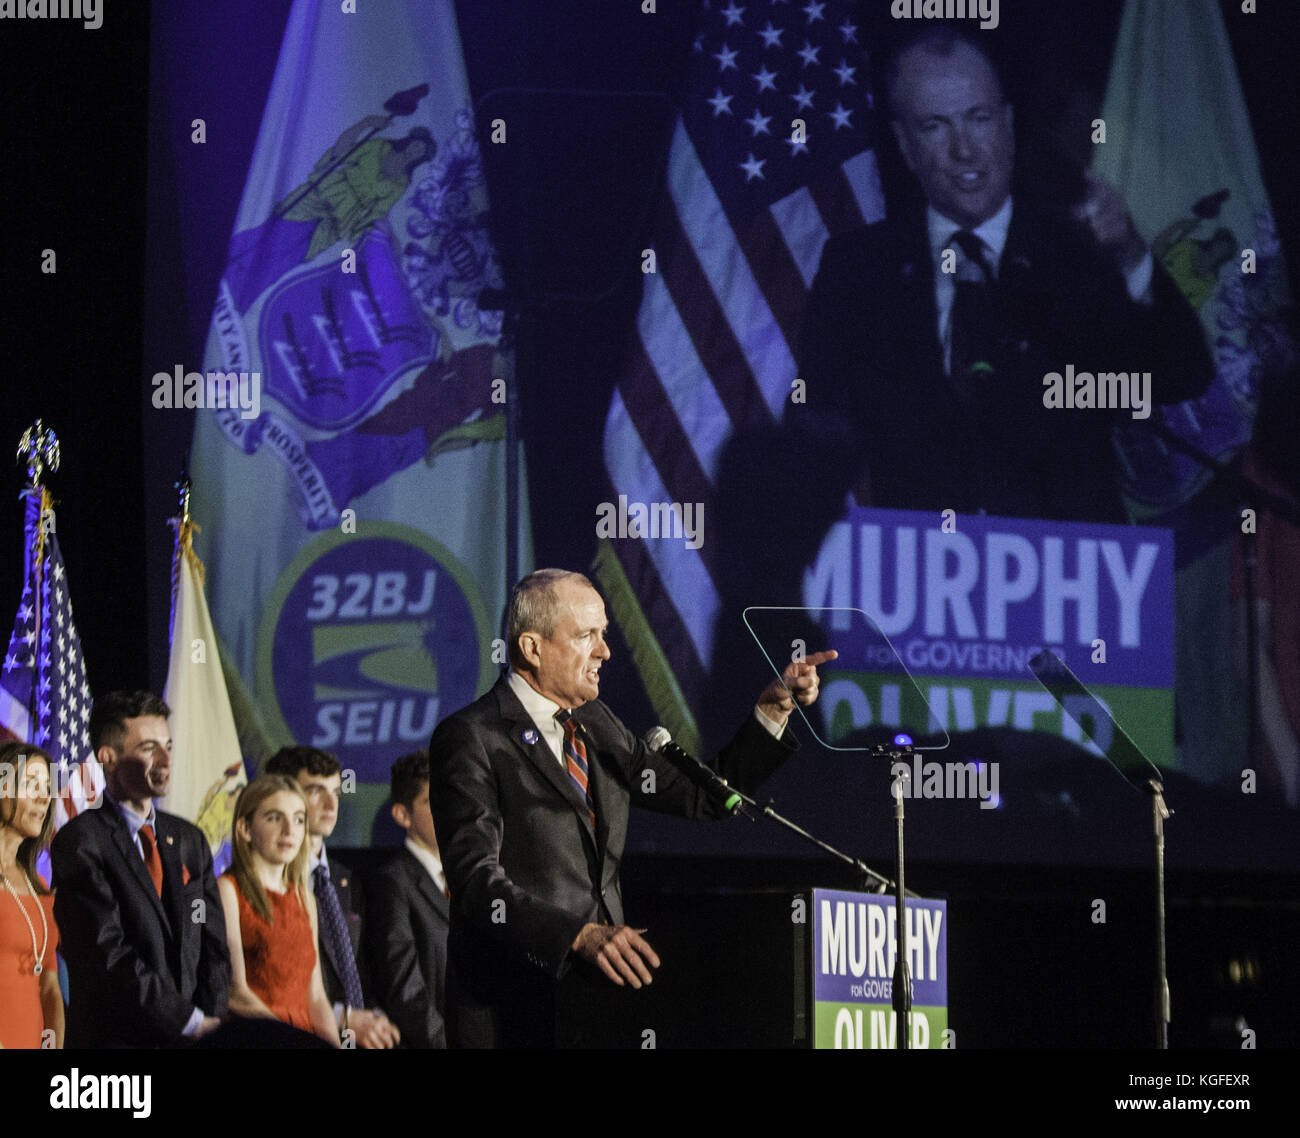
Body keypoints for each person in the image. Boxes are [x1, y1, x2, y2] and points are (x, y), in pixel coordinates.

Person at [795, 26, 1213, 523]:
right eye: (935, 126)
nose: (964, 150)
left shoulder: (1079, 253)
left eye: (979, 119)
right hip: (926, 579)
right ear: (904, 146)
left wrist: (1129, 254)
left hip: (1072, 580)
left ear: (1009, 126)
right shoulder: (859, 270)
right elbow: (814, 429)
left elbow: (1183, 374)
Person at [428, 568, 835, 1047]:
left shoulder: (595, 722)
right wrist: (577, 936)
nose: (605, 651)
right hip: (512, 1010)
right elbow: (476, 882)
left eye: (604, 634)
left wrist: (772, 711)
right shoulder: (472, 737)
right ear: (532, 648)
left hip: (597, 1008)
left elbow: (700, 795)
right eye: (587, 636)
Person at [51, 691, 229, 1047]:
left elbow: (213, 944)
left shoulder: (189, 838)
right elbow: (108, 952)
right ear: (109, 758)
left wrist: (212, 1021)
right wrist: (187, 1021)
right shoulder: (81, 841)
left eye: (169, 746)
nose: (165, 760)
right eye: (149, 748)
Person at [263, 746, 399, 1048]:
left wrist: (372, 1017)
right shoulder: (267, 880)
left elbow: (362, 966)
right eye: (315, 791)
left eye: (336, 792)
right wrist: (341, 1016)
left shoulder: (345, 879)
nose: (331, 804)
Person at [216, 775, 338, 1046]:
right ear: (245, 828)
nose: (289, 830)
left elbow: (316, 996)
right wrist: (289, 1039)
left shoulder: (305, 898)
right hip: (256, 1038)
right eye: (274, 818)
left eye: (298, 819)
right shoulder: (228, 890)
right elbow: (235, 993)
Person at [366, 749, 450, 1049]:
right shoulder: (392, 883)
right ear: (403, 815)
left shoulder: (474, 878)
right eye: (432, 801)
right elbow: (405, 991)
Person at [0, 743, 62, 1048]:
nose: (44, 797)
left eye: (47, 788)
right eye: (32, 784)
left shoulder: (39, 885)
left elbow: (50, 987)